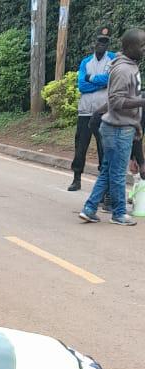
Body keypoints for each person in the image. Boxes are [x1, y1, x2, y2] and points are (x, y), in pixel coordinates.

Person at [80, 28, 145, 226]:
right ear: (130, 47)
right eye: (142, 46)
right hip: (118, 129)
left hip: (120, 126)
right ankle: (118, 213)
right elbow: (116, 101)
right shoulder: (124, 69)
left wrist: (136, 123)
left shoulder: (128, 66)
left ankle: (89, 208)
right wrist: (142, 102)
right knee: (116, 173)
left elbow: (114, 99)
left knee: (108, 170)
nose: (144, 49)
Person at [68, 26, 115, 192]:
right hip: (85, 111)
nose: (101, 44)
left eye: (105, 42)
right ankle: (76, 178)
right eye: (99, 41)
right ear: (94, 43)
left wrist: (92, 79)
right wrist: (100, 83)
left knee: (104, 147)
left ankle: (104, 186)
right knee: (80, 146)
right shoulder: (85, 62)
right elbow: (81, 85)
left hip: (104, 112)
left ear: (108, 43)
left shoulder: (113, 59)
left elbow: (110, 80)